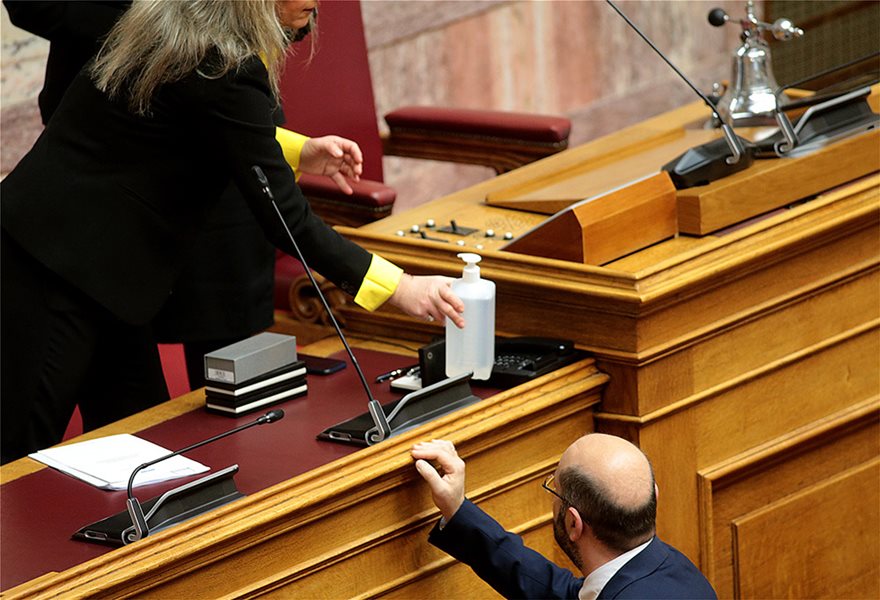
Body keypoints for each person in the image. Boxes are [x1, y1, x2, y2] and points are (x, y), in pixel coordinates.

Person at [0, 0, 464, 464]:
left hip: (110, 282)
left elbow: (203, 119)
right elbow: (288, 220)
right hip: (49, 267)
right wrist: (401, 287)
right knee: (15, 458)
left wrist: (297, 152)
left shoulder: (184, 23)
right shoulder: (222, 63)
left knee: (142, 453)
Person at [3, 0, 362, 390]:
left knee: (224, 357)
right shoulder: (182, 42)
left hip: (215, 145)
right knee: (98, 364)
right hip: (97, 196)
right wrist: (171, 18)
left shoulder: (231, 70)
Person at [411, 436, 717, 599]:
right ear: (653, 497)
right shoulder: (678, 573)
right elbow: (554, 591)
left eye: (553, 489)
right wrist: (457, 509)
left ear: (573, 523)